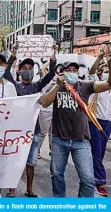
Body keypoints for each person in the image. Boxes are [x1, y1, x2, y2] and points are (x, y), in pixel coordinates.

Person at [39, 57, 111, 197]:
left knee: (88, 179)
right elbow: (45, 103)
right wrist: (57, 85)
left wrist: (110, 64)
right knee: (57, 175)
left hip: (81, 140)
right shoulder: (55, 86)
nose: (72, 72)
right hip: (60, 139)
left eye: (74, 70)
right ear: (62, 73)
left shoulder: (85, 85)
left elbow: (108, 84)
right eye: (68, 70)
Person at [3, 43, 57, 197]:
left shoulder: (37, 86)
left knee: (31, 163)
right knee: (14, 161)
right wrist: (13, 55)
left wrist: (53, 58)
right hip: (17, 132)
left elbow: (51, 73)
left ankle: (30, 189)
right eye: (24, 68)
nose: (28, 70)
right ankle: (12, 189)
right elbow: (6, 72)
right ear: (19, 71)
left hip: (34, 131)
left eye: (30, 68)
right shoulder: (15, 86)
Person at [87, 48, 111, 197]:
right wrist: (100, 57)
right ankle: (100, 183)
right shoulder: (96, 84)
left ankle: (91, 175)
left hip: (108, 123)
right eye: (106, 70)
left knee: (100, 153)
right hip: (95, 121)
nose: (107, 72)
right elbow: (91, 71)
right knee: (96, 152)